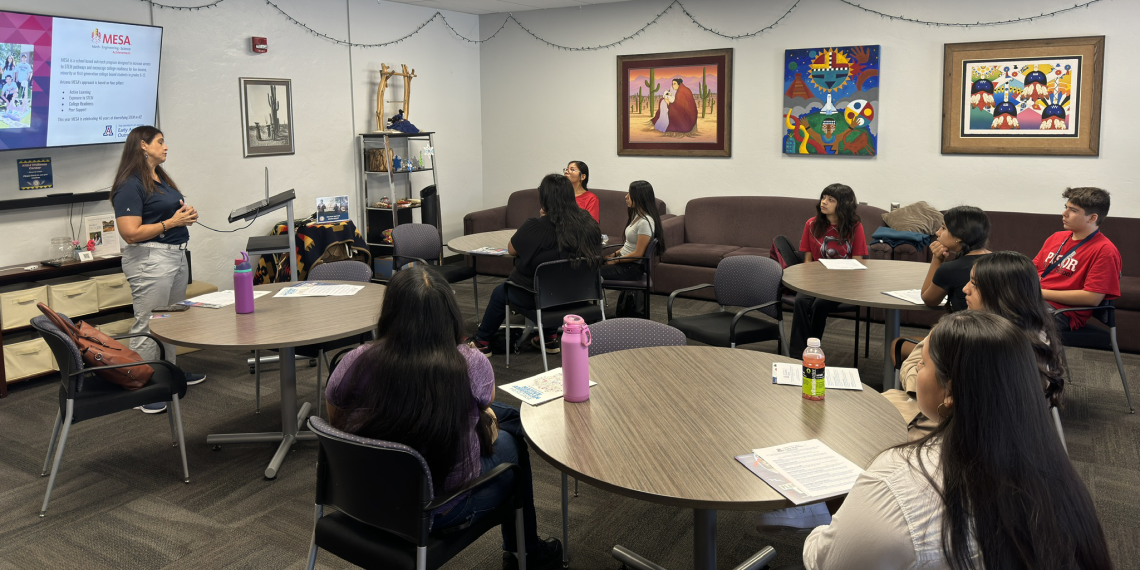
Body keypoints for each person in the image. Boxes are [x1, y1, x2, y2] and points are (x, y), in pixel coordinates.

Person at [802, 311, 1111, 570]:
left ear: (950, 391)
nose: (917, 369)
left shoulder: (898, 481)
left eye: (922, 364)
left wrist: (826, 517)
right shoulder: (1058, 475)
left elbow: (827, 560)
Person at [325, 267, 563, 569]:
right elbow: (485, 410)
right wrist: (485, 430)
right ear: (448, 314)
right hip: (439, 508)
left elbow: (337, 423)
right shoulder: (470, 363)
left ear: (390, 312)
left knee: (509, 418)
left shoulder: (354, 361)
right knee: (510, 445)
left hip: (365, 498)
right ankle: (525, 553)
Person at [886, 251, 1066, 438]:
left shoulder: (979, 339)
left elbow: (916, 366)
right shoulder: (1039, 330)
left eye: (975, 284)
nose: (965, 289)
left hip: (951, 428)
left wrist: (922, 383)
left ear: (1002, 295)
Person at [111, 126, 205, 413]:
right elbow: (130, 232)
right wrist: (172, 223)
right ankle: (144, 388)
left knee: (170, 321)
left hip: (175, 257)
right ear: (143, 145)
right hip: (150, 260)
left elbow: (170, 213)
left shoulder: (160, 178)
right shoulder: (130, 184)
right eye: (160, 142)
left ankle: (168, 374)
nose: (166, 147)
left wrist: (186, 216)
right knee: (149, 323)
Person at [467, 174, 602, 355]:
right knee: (555, 281)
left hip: (541, 298)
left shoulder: (535, 226)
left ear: (544, 198)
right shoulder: (588, 223)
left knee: (501, 292)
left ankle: (482, 341)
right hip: (579, 297)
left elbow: (512, 250)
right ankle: (549, 338)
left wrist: (542, 219)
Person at [788, 183, 867, 356]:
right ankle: (796, 353)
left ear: (843, 204)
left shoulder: (855, 227)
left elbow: (858, 261)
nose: (824, 202)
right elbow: (807, 260)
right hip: (817, 280)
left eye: (830, 200)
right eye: (823, 197)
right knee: (801, 300)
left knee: (820, 305)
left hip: (842, 282)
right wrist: (810, 282)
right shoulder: (811, 224)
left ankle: (812, 349)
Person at [1033, 187, 1121, 332]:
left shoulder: (1105, 251)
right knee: (987, 305)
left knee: (1012, 321)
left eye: (1073, 210)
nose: (1064, 213)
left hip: (1061, 312)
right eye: (1066, 207)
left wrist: (1038, 292)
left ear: (1092, 218)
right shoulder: (1056, 237)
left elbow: (1092, 298)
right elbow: (1033, 269)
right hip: (1034, 300)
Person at [918, 206, 991, 312]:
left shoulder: (951, 269)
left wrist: (937, 258)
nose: (937, 233)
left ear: (959, 237)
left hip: (968, 326)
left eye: (943, 228)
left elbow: (929, 300)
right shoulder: (1000, 261)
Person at [601, 180, 665, 281]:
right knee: (587, 265)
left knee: (589, 272)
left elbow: (638, 254)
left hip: (631, 268)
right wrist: (614, 254)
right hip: (624, 262)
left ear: (640, 197)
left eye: (630, 194)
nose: (626, 196)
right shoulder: (638, 216)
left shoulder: (645, 222)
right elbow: (629, 245)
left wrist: (615, 260)